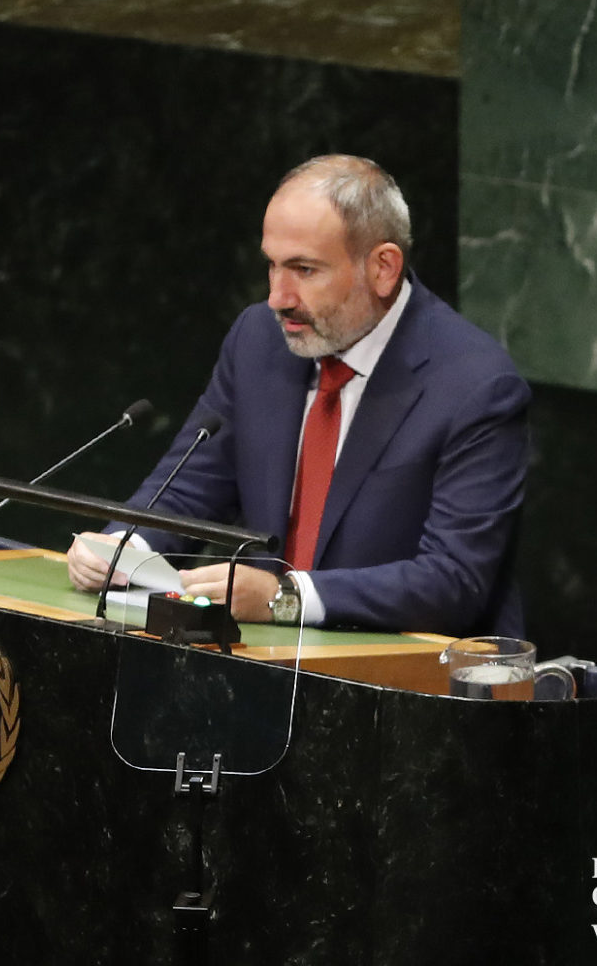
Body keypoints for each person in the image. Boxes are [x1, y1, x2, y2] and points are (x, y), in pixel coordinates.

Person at [67, 155, 530, 635]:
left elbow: (453, 581)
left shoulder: (475, 386)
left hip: (404, 680)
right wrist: (124, 548)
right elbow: (188, 487)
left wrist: (283, 599)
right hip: (265, 669)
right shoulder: (259, 341)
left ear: (383, 268)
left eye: (304, 269)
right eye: (272, 265)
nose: (278, 297)